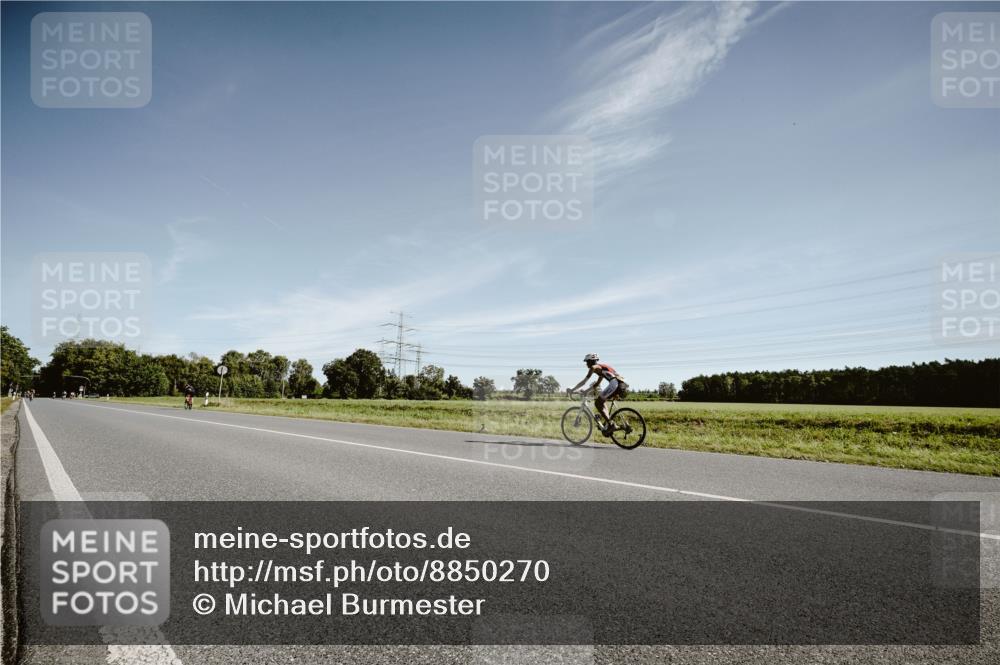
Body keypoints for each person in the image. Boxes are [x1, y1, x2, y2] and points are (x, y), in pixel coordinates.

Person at [569, 353, 626, 434]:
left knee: (597, 403)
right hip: (620, 383)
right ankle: (608, 422)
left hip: (614, 383)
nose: (586, 364)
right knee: (602, 401)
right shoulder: (601, 369)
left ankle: (611, 424)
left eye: (587, 362)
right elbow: (596, 384)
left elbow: (584, 382)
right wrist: (585, 392)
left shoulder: (594, 367)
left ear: (591, 361)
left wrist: (572, 390)